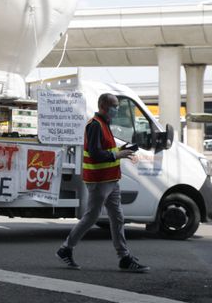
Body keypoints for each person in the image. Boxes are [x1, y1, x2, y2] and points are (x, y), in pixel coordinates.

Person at [56, 93, 150, 273]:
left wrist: (121, 150)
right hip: (99, 181)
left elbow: (105, 149)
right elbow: (95, 153)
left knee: (117, 217)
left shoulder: (104, 125)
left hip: (111, 179)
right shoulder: (95, 125)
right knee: (91, 216)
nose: (117, 109)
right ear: (104, 106)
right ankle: (66, 249)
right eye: (115, 105)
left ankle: (124, 257)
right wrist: (117, 154)